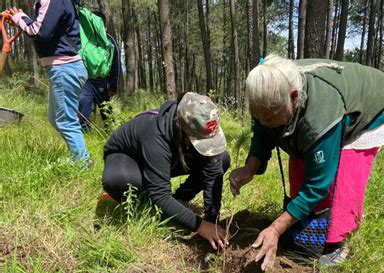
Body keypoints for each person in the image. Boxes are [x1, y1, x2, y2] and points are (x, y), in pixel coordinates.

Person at [230, 55, 384, 270]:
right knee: (301, 165)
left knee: (342, 179)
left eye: (270, 117)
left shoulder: (319, 120)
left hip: (371, 106)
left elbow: (318, 185)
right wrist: (250, 167)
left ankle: (336, 244)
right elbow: (263, 132)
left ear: (293, 98)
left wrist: (275, 229)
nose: (264, 122)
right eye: (258, 115)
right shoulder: (267, 98)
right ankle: (305, 224)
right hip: (319, 112)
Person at [102, 92, 230, 249]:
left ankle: (180, 199)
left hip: (169, 159)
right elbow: (160, 194)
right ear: (182, 129)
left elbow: (213, 173)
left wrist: (212, 220)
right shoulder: (155, 134)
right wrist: (199, 226)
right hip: (130, 159)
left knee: (221, 158)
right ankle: (144, 207)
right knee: (118, 179)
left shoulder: (204, 122)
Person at [4, 2, 90, 164]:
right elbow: (43, 27)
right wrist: (21, 19)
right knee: (56, 118)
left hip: (64, 67)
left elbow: (39, 32)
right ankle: (80, 155)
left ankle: (82, 162)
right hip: (64, 68)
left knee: (65, 121)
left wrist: (19, 18)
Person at [78, 10, 120, 131]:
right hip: (86, 80)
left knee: (106, 109)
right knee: (84, 103)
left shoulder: (110, 42)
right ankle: (85, 133)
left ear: (104, 26)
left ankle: (111, 132)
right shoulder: (84, 39)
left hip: (103, 82)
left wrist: (113, 87)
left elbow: (115, 65)